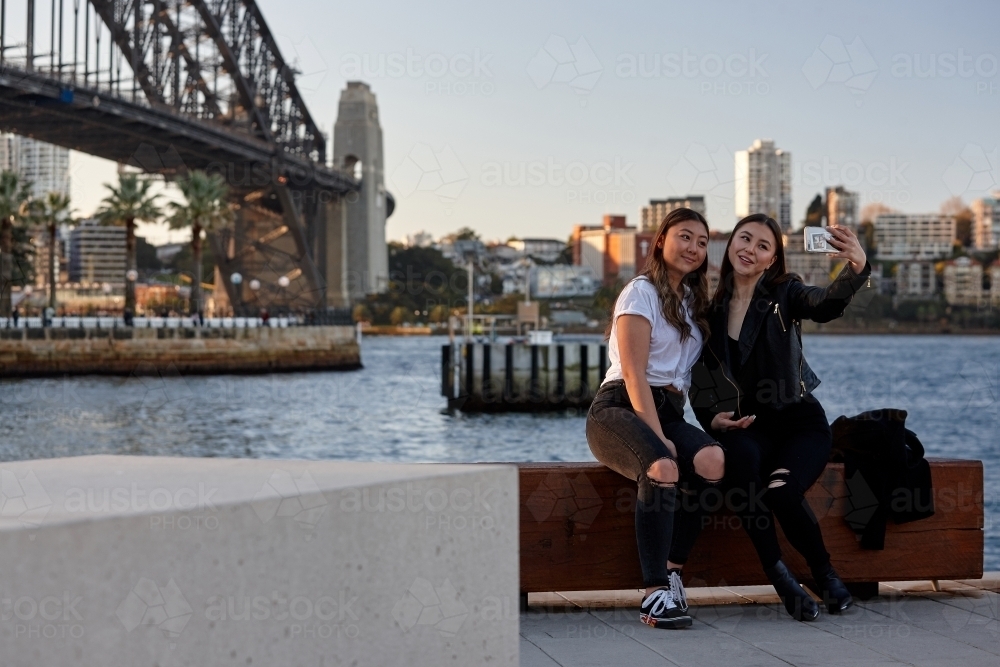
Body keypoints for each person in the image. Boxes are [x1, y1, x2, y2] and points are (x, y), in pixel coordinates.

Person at [677, 214, 870, 621]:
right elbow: (700, 380)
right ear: (729, 246)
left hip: (800, 422)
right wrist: (712, 420)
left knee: (781, 489)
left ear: (771, 260)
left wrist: (855, 267)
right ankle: (780, 575)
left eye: (763, 246)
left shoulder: (786, 293)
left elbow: (825, 305)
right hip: (750, 427)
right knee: (738, 462)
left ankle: (825, 573)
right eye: (744, 239)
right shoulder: (710, 312)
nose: (750, 249)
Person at [585, 208, 724, 630]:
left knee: (713, 460)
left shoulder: (691, 303)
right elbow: (632, 373)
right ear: (661, 240)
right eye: (685, 237)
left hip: (668, 407)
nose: (694, 248)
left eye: (702, 242)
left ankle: (673, 570)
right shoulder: (639, 292)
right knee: (662, 466)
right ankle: (653, 593)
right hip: (620, 407)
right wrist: (657, 435)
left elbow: (690, 380)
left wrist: (720, 419)